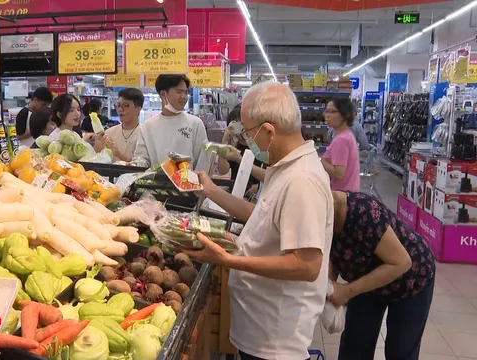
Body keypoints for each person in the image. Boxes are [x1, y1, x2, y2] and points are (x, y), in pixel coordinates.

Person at [185, 82, 333, 360]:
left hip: (274, 341)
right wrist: (212, 191)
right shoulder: (283, 166)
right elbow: (263, 217)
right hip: (258, 330)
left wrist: (229, 260)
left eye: (248, 132)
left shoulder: (302, 181)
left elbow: (307, 265)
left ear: (269, 131)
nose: (246, 140)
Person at [329, 191, 435, 360]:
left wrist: (347, 291)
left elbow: (402, 262)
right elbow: (332, 254)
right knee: (355, 345)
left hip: (410, 278)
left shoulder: (362, 212)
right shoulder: (322, 219)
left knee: (400, 351)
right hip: (366, 280)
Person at [132, 75, 208, 169]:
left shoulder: (195, 123)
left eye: (185, 92)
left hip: (187, 182)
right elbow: (142, 159)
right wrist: (132, 165)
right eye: (179, 92)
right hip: (156, 182)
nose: (184, 97)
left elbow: (202, 162)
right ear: (163, 94)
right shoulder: (148, 126)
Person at [216, 106, 265, 185]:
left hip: (256, 192)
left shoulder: (258, 144)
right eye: (233, 123)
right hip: (236, 189)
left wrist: (258, 186)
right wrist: (224, 140)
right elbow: (222, 171)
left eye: (240, 124)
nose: (236, 128)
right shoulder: (233, 146)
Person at [94, 88, 143, 162]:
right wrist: (97, 146)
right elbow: (97, 159)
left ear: (138, 109)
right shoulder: (109, 133)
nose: (120, 109)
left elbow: (143, 165)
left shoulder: (144, 135)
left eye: (126, 105)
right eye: (118, 105)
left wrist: (118, 154)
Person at [322, 99, 360, 191]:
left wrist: (321, 161)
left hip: (341, 195)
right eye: (326, 111)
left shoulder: (341, 140)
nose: (326, 115)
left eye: (332, 112)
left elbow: (339, 173)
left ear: (345, 115)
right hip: (348, 192)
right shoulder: (347, 135)